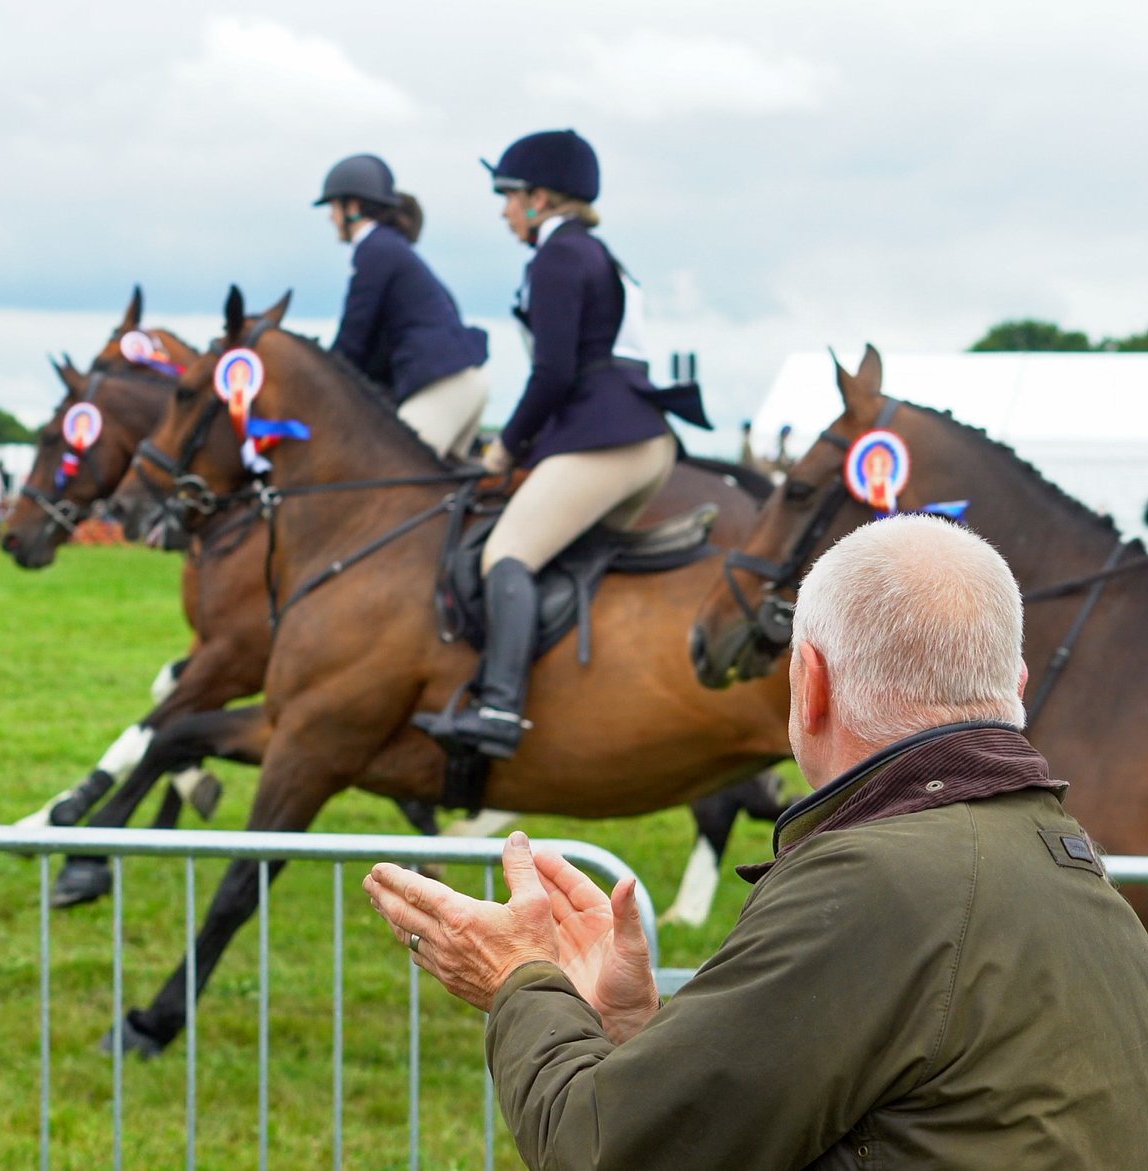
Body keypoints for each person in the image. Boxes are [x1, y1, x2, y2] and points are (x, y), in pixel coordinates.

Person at [365, 514, 1148, 1168]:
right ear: (1013, 688)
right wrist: (645, 1036)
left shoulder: (874, 882)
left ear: (809, 683)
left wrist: (517, 977)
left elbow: (601, 1150)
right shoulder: (1076, 870)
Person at [414, 128, 708, 761]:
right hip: (645, 436)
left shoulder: (554, 257)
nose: (503, 210)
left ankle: (498, 707)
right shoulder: (598, 254)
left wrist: (506, 448)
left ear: (541, 199)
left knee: (507, 555)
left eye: (509, 196)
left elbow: (553, 373)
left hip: (605, 435)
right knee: (559, 564)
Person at [314, 153, 489, 461]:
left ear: (352, 207)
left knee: (384, 472)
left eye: (333, 207)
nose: (330, 217)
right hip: (461, 382)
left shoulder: (374, 249)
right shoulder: (392, 247)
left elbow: (354, 336)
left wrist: (317, 383)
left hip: (442, 386)